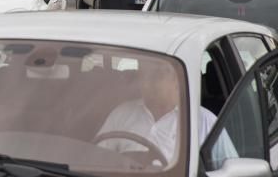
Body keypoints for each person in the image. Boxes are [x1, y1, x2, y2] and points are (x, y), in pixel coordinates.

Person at [95, 59, 238, 168]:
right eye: (142, 74)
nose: (146, 82)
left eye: (156, 75)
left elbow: (232, 173)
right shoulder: (122, 113)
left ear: (177, 79)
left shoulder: (204, 121)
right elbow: (97, 160)